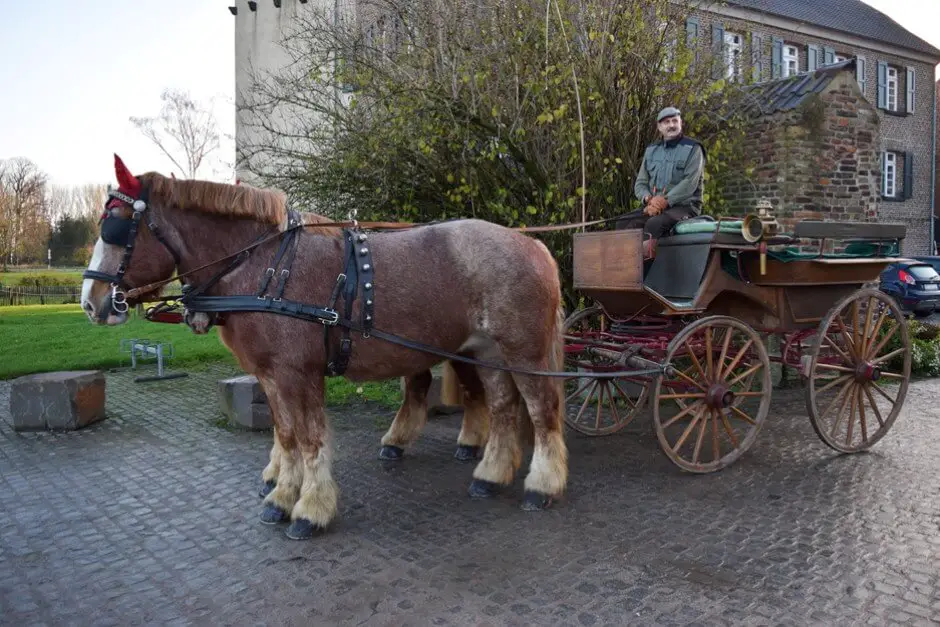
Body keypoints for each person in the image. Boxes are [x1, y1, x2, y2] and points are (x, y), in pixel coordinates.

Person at [617, 107, 706, 245]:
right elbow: (641, 182)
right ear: (659, 127)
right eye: (666, 122)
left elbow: (689, 183)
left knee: (654, 225)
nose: (671, 125)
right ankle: (625, 264)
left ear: (681, 123)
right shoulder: (651, 150)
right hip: (654, 206)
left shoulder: (694, 149)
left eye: (675, 121)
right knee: (623, 222)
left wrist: (664, 201)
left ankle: (647, 266)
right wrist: (648, 199)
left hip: (685, 207)